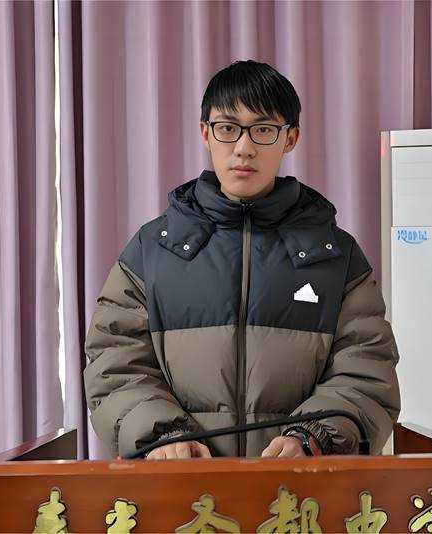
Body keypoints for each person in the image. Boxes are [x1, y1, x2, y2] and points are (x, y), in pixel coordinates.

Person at [84, 60, 401, 460]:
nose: (244, 147)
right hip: (183, 488)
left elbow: (367, 368)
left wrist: (313, 436)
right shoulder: (151, 251)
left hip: (300, 490)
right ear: (206, 133)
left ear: (290, 138)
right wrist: (165, 435)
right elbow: (114, 363)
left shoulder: (336, 256)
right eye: (228, 128)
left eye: (264, 130)